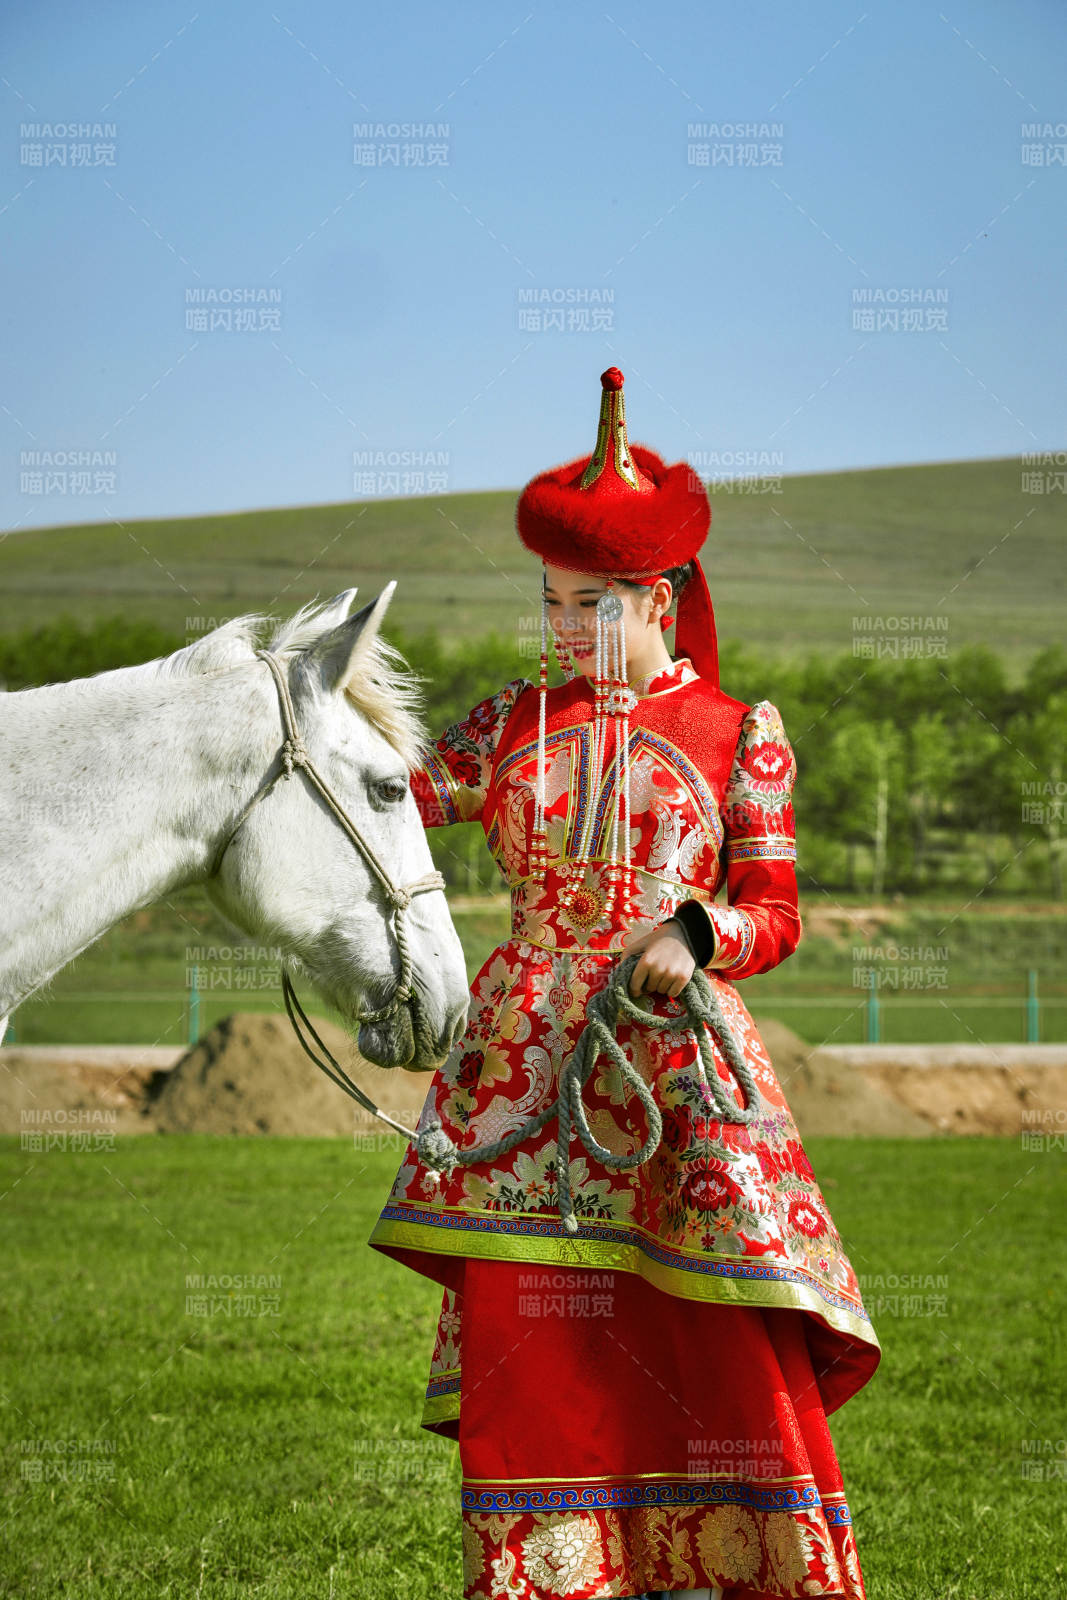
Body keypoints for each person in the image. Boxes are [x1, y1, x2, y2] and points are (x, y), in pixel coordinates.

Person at [367, 367, 881, 1600]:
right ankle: (552, 1573)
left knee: (703, 1327)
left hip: (667, 1063)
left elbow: (776, 910)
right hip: (519, 1073)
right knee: (532, 1339)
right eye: (550, 601)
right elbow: (386, 805)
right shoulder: (505, 725)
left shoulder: (734, 730)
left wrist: (695, 936)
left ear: (658, 596)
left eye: (590, 603)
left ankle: (727, 1565)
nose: (563, 627)